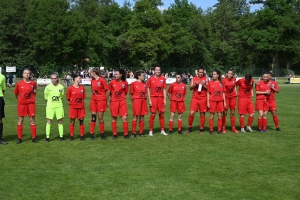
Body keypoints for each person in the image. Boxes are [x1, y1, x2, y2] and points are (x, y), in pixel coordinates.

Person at [14, 69, 38, 144]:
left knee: (32, 120)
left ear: (30, 74)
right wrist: (20, 100)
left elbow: (34, 93)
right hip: (22, 104)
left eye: (28, 73)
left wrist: (30, 99)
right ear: (22, 74)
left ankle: (34, 138)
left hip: (30, 104)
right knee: (20, 121)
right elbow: (16, 94)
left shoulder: (33, 83)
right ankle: (19, 138)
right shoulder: (19, 84)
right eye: (25, 73)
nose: (27, 74)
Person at [186, 67, 208, 134]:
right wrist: (195, 84)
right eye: (200, 72)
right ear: (197, 72)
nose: (201, 73)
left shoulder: (206, 79)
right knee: (192, 113)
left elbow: (208, 88)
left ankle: (201, 128)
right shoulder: (194, 78)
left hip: (203, 98)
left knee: (202, 114)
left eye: (202, 72)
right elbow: (190, 88)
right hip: (195, 97)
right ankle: (189, 127)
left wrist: (203, 85)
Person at [89, 68, 110, 140]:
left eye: (91, 72)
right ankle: (91, 134)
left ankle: (102, 134)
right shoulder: (92, 80)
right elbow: (92, 89)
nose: (90, 73)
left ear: (94, 72)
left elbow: (107, 90)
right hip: (93, 100)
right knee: (93, 116)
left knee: (100, 117)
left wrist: (107, 100)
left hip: (101, 100)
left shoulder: (102, 80)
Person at [108, 69, 129, 139]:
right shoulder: (112, 82)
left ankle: (126, 134)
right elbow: (109, 92)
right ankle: (114, 134)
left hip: (122, 101)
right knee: (114, 118)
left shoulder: (125, 83)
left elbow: (126, 92)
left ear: (121, 75)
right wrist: (108, 100)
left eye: (117, 74)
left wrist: (121, 97)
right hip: (114, 102)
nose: (115, 75)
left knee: (124, 118)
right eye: (115, 74)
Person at [147, 65, 168, 136]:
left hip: (161, 98)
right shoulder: (150, 79)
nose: (158, 71)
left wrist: (165, 99)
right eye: (156, 70)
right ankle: (150, 130)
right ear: (154, 71)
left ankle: (162, 130)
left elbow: (164, 89)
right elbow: (148, 89)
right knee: (153, 114)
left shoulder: (163, 79)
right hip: (153, 98)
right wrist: (150, 100)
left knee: (161, 114)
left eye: (159, 70)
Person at [44, 73, 65, 142]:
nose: (53, 80)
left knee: (60, 121)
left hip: (59, 106)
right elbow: (46, 97)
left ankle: (61, 137)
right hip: (50, 107)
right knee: (49, 121)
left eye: (55, 78)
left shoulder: (61, 87)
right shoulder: (47, 87)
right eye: (52, 78)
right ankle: (47, 138)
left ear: (57, 78)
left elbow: (61, 96)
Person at [66, 74, 86, 141]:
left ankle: (82, 136)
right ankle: (72, 136)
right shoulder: (70, 88)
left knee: (81, 122)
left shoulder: (82, 88)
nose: (80, 79)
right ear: (75, 79)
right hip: (73, 108)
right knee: (72, 122)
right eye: (79, 78)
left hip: (81, 107)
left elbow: (83, 97)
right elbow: (68, 98)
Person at [130, 71, 148, 138]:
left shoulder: (144, 84)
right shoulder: (133, 84)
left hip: (143, 101)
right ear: (138, 76)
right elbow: (131, 94)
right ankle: (134, 133)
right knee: (135, 117)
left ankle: (141, 132)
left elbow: (146, 93)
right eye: (143, 75)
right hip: (136, 101)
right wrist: (133, 101)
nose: (144, 77)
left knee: (142, 117)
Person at [207, 70, 226, 134]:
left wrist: (224, 102)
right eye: (213, 74)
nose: (213, 75)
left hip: (220, 101)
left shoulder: (221, 83)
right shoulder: (210, 83)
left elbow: (223, 92)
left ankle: (219, 130)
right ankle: (211, 129)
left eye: (214, 74)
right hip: (212, 101)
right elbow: (208, 93)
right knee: (212, 115)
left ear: (218, 75)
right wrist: (208, 102)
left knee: (219, 115)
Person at [222, 69, 239, 133]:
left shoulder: (234, 79)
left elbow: (234, 86)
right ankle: (223, 128)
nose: (230, 75)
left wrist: (236, 92)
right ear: (226, 74)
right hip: (226, 97)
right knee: (225, 113)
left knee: (232, 113)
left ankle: (233, 128)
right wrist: (224, 101)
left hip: (233, 97)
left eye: (231, 74)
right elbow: (223, 91)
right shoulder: (223, 80)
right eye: (229, 73)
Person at [0, 67, 7, 144]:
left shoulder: (2, 76)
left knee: (0, 119)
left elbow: (3, 89)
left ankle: (0, 138)